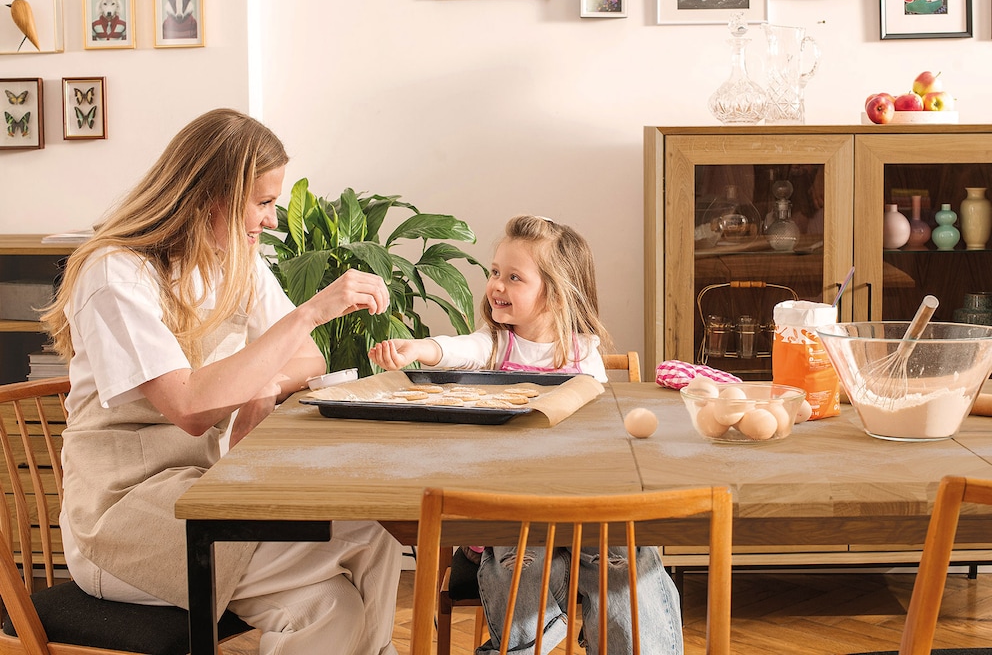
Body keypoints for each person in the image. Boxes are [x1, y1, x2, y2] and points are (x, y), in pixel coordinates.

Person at [41, 108, 402, 655]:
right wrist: (309, 311)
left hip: (202, 492)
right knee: (366, 537)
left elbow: (306, 360)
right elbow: (189, 407)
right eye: (263, 202)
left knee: (331, 605)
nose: (273, 220)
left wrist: (265, 382)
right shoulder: (116, 273)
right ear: (212, 196)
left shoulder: (235, 259)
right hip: (122, 522)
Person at [369, 215, 683, 655]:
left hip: (579, 507)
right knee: (521, 565)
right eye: (495, 272)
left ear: (554, 294)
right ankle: (523, 645)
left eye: (514, 277)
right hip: (510, 511)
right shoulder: (495, 344)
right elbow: (459, 349)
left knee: (625, 561)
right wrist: (421, 349)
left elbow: (601, 428)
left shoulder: (585, 355)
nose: (496, 285)